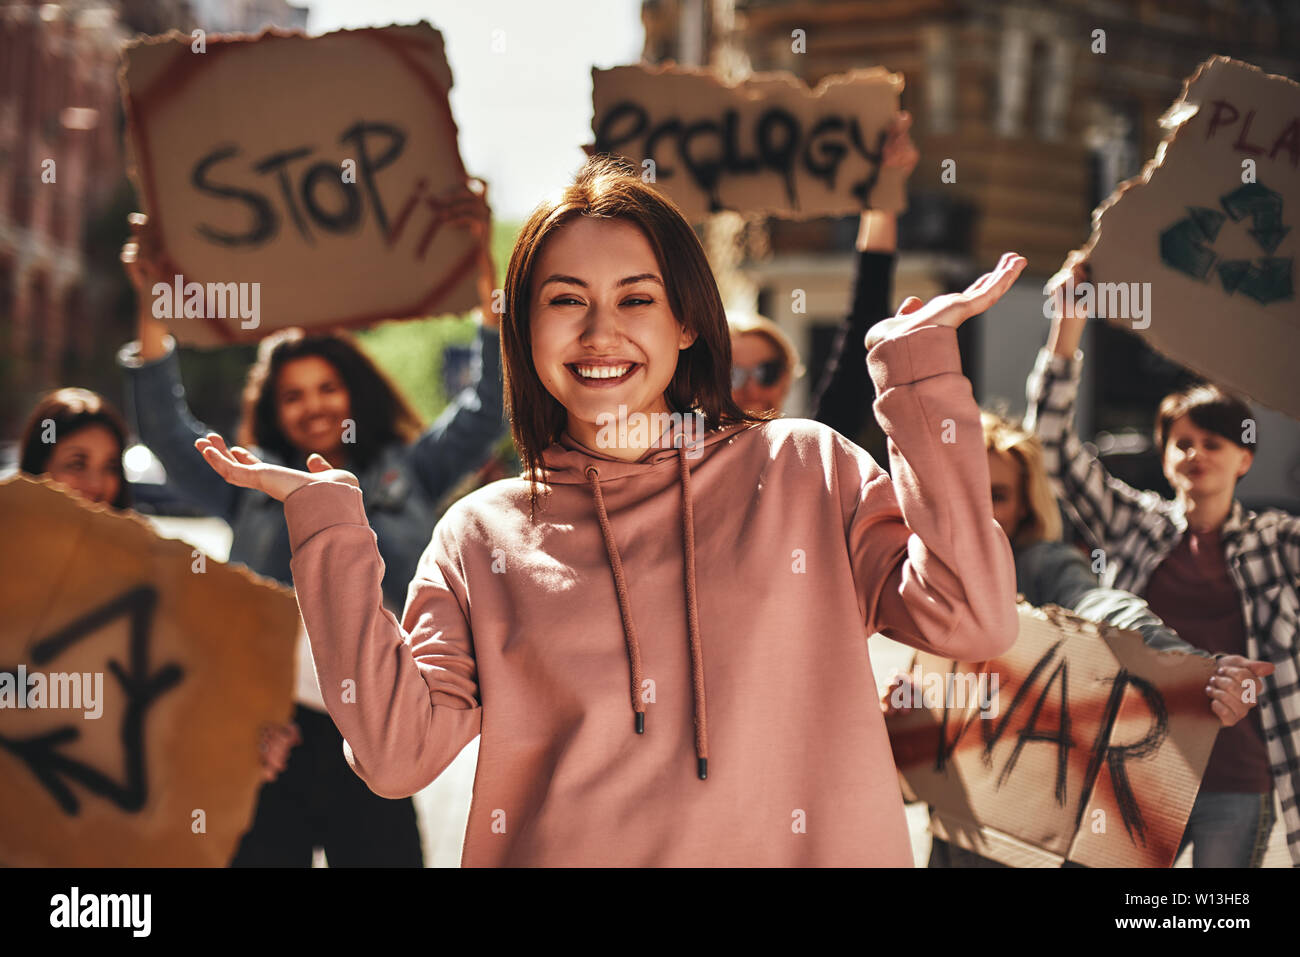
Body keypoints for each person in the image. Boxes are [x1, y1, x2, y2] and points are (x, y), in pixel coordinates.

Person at [189, 155, 1022, 866]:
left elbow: (970, 616)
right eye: (565, 300)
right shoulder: (478, 536)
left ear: (688, 320)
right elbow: (396, 755)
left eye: (634, 298)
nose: (600, 331)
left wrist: (918, 381)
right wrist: (331, 534)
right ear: (526, 331)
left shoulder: (803, 466)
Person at [116, 184, 507, 867]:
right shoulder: (250, 483)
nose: (314, 406)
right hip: (270, 737)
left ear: (352, 392)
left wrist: (484, 276)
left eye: (327, 387)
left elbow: (487, 409)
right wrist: (154, 300)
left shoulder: (406, 474)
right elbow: (166, 430)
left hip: (379, 730)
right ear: (273, 409)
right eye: (293, 394)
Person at [884, 410, 1271, 867]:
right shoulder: (925, 578)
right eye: (969, 493)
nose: (982, 512)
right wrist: (900, 716)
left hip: (1039, 833)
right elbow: (905, 779)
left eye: (998, 495)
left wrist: (1191, 665)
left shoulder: (1042, 564)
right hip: (955, 831)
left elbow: (1101, 605)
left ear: (1024, 506)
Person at [1026, 252, 1299, 868]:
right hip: (1137, 765)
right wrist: (1068, 325)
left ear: (1245, 459)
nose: (1195, 453)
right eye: (1182, 443)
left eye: (1213, 442)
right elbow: (1049, 448)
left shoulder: (1280, 541)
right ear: (1164, 454)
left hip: (1240, 774)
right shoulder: (1133, 523)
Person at [16, 388, 297, 782]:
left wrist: (251, 735)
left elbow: (188, 686)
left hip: (108, 816)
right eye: (77, 463)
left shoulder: (146, 580)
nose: (97, 483)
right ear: (38, 469)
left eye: (112, 466)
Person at [729, 112, 918, 440]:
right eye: (729, 375)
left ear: (786, 380)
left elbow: (866, 314)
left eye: (766, 372)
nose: (751, 388)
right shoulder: (678, 461)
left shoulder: (813, 457)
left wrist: (882, 194)